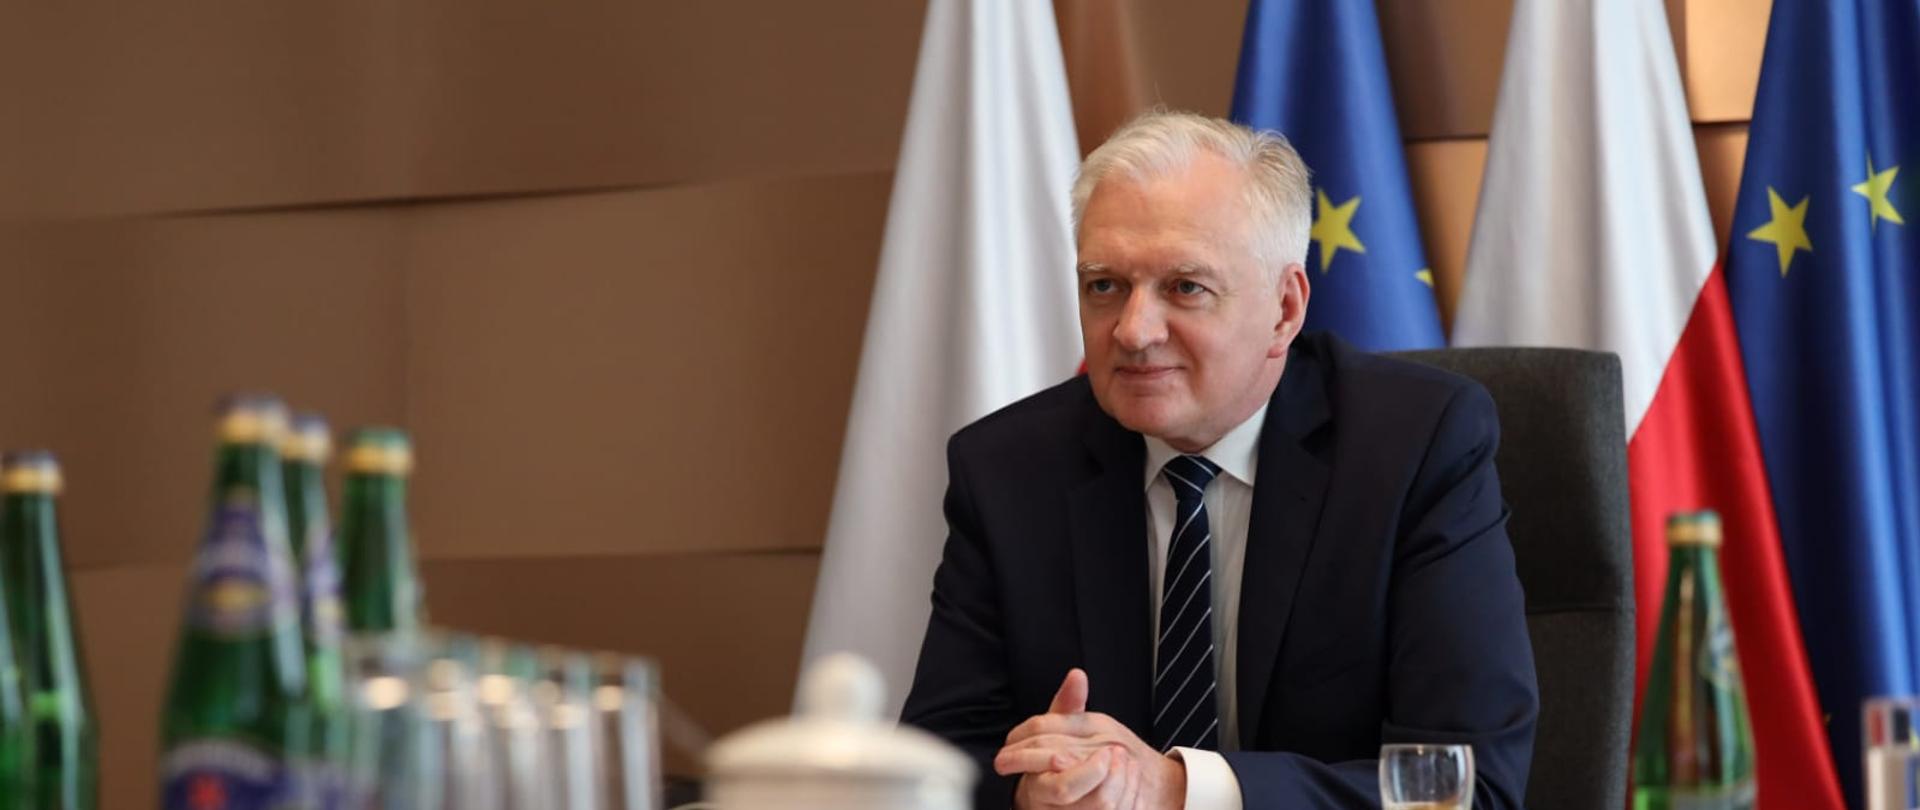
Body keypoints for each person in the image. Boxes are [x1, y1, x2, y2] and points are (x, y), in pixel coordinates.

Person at [899, 111, 1538, 810]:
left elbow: (1465, 788)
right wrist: (1035, 793)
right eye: (1105, 285)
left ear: (1285, 308)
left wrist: (1179, 789)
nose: (1135, 331)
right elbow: (935, 768)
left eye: (1185, 287)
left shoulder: (1415, 447)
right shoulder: (1009, 470)